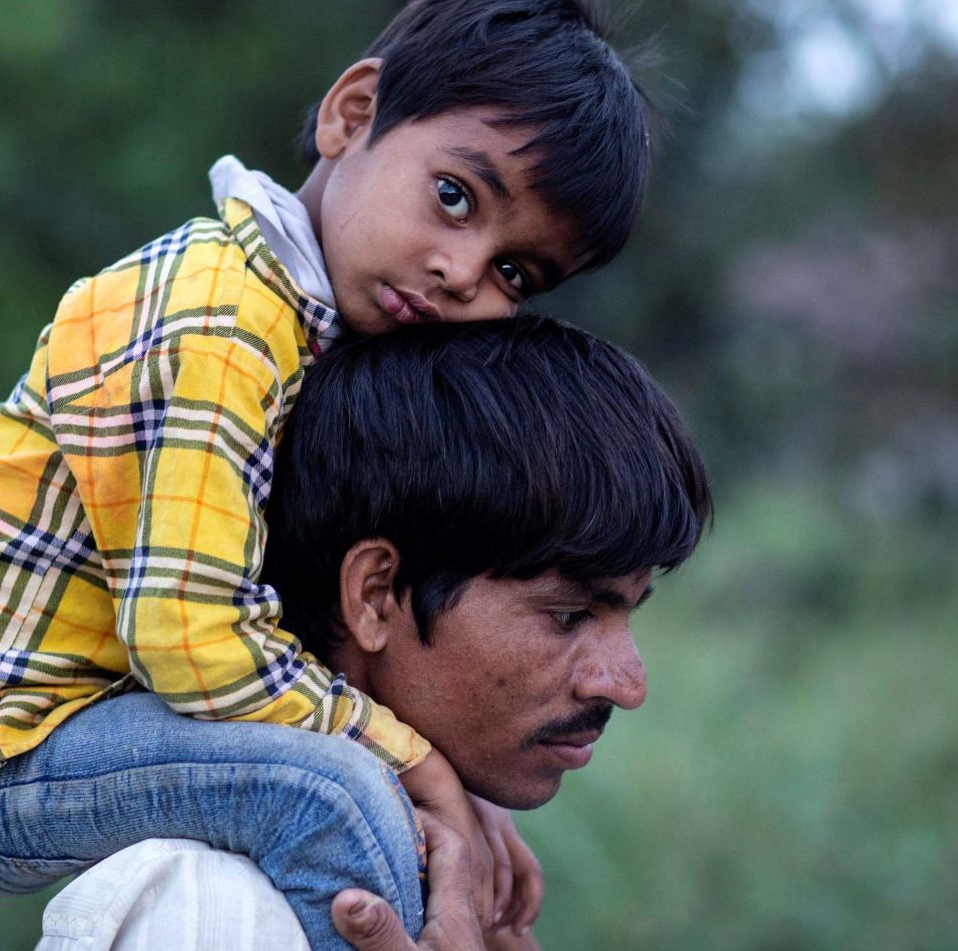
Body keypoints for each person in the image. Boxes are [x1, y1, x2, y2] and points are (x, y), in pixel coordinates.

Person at [0, 0, 655, 950]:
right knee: (333, 794)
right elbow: (193, 640)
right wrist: (419, 766)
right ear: (350, 113)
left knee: (351, 783)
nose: (460, 271)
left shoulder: (304, 328)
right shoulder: (223, 315)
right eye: (454, 196)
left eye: (514, 271)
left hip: (94, 719)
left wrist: (454, 793)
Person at [37, 316, 713, 949]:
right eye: (569, 616)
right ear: (376, 594)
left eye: (629, 614)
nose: (627, 685)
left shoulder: (462, 876)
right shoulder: (206, 911)